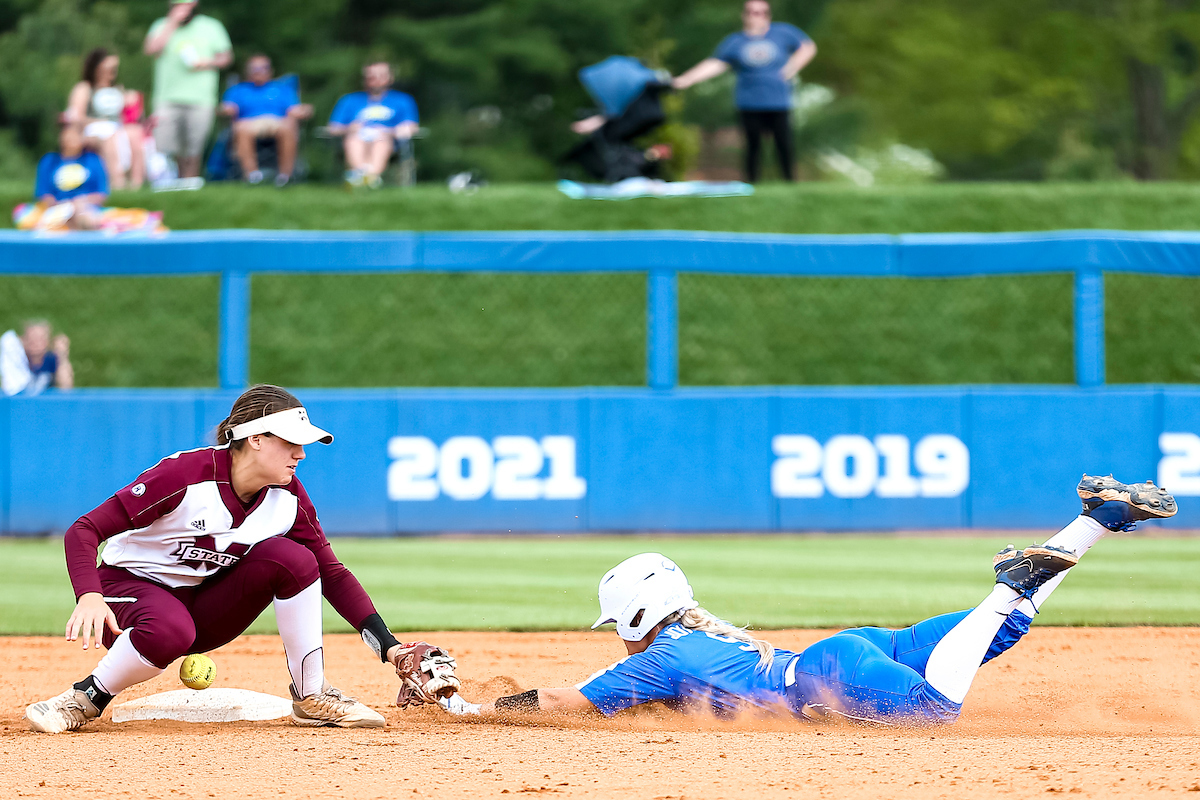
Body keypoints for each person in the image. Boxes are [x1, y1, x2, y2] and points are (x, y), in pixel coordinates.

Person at [437, 475, 1177, 724]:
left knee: (932, 712)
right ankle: (1100, 518)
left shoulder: (656, 660)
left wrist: (474, 709)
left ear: (635, 613)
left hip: (829, 673)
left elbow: (568, 702)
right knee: (1003, 635)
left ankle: (1007, 585)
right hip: (849, 650)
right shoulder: (704, 634)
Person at [24, 384, 437, 733]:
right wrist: (89, 596)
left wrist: (390, 647)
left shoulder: (287, 497)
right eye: (292, 442)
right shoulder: (184, 476)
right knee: (170, 628)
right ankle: (85, 697)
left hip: (200, 610)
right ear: (256, 438)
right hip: (126, 596)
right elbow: (84, 530)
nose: (302, 454)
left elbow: (329, 571)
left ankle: (312, 695)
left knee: (292, 558)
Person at [672, 0, 816, 183]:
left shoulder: (783, 33)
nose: (756, 16)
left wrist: (792, 67)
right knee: (752, 147)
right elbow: (715, 64)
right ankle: (751, 185)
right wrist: (686, 79)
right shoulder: (735, 42)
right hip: (749, 102)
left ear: (768, 15)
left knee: (784, 145)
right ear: (744, 15)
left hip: (778, 101)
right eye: (751, 12)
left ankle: (789, 184)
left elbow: (808, 47)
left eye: (761, 12)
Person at [143, 0, 233, 180]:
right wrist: (172, 23)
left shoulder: (211, 26)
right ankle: (169, 183)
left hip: (201, 98)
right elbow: (151, 49)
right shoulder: (161, 25)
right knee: (165, 146)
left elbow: (226, 57)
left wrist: (206, 62)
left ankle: (190, 184)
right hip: (167, 97)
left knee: (194, 148)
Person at [219, 54, 313, 187]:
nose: (259, 71)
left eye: (263, 68)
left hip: (277, 122)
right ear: (248, 71)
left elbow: (294, 110)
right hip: (248, 123)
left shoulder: (283, 89)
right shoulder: (237, 90)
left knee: (289, 126)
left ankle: (285, 177)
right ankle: (252, 175)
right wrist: (224, 110)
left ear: (270, 70)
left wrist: (304, 110)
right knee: (241, 127)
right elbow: (227, 108)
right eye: (254, 68)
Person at [327, 62, 418, 188]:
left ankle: (366, 178)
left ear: (390, 78)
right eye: (371, 76)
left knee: (381, 140)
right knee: (354, 139)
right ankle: (366, 177)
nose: (375, 80)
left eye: (381, 75)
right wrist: (349, 128)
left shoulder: (403, 100)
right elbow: (333, 128)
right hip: (355, 137)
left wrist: (390, 131)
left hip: (387, 140)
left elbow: (411, 126)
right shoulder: (349, 100)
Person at [66, 48, 146, 190]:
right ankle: (117, 181)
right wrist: (100, 122)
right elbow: (76, 117)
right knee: (109, 137)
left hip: (117, 128)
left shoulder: (118, 90)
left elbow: (129, 117)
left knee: (135, 133)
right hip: (93, 130)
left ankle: (136, 183)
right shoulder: (85, 88)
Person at [30, 120, 110, 230]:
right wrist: (62, 205)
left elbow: (100, 194)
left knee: (82, 214)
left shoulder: (93, 160)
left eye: (75, 134)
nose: (70, 137)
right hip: (58, 208)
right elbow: (44, 194)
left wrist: (80, 202)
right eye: (67, 133)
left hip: (85, 208)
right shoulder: (49, 161)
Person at [0, 320, 74, 397]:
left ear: (48, 341)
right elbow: (9, 387)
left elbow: (66, 388)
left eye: (41, 338)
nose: (36, 343)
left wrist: (62, 356)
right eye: (31, 338)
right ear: (23, 340)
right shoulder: (18, 362)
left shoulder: (51, 360)